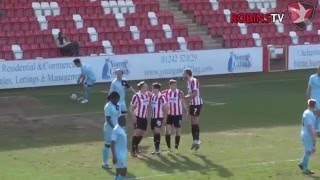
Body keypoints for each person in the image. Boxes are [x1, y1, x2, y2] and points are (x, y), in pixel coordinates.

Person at [161, 79, 186, 152]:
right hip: (169, 115)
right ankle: (169, 147)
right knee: (167, 131)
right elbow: (157, 95)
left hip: (178, 115)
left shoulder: (180, 92)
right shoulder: (165, 92)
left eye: (176, 85)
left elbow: (183, 102)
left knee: (178, 131)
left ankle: (176, 147)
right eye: (173, 85)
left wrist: (186, 110)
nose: (175, 87)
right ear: (170, 85)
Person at [183, 68, 203, 150]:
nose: (183, 75)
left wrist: (185, 97)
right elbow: (190, 93)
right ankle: (195, 140)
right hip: (192, 104)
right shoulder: (188, 82)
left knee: (195, 121)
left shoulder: (193, 81)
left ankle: (197, 141)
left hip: (196, 103)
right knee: (192, 122)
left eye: (184, 73)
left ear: (187, 74)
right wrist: (186, 97)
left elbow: (194, 94)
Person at [129, 81, 151, 156]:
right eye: (145, 86)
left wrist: (147, 112)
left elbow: (147, 104)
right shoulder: (136, 96)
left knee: (142, 133)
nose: (147, 87)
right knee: (137, 132)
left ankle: (136, 147)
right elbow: (131, 108)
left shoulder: (147, 94)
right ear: (141, 87)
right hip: (138, 116)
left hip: (144, 117)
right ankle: (133, 150)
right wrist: (134, 116)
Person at [102, 92, 121, 169]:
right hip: (109, 129)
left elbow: (119, 116)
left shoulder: (117, 105)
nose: (117, 101)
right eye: (117, 99)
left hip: (116, 128)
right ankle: (104, 163)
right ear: (112, 98)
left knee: (117, 144)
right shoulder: (107, 106)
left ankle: (117, 160)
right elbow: (108, 120)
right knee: (107, 145)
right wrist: (114, 128)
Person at [298, 99, 317, 174]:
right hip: (308, 135)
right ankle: (305, 168)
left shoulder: (306, 112)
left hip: (304, 133)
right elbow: (309, 127)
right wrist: (313, 137)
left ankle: (302, 164)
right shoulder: (309, 114)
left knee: (308, 151)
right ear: (314, 105)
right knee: (309, 152)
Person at [150, 82, 168, 154]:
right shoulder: (152, 96)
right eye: (152, 88)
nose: (152, 89)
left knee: (157, 132)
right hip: (153, 117)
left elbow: (166, 108)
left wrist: (165, 118)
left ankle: (157, 149)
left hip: (159, 117)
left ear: (157, 89)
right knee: (154, 133)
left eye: (153, 88)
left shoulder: (161, 97)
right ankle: (155, 148)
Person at [111, 115, 128, 180]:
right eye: (125, 120)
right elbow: (112, 143)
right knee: (124, 170)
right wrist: (114, 156)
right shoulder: (116, 130)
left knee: (118, 172)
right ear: (121, 121)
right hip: (118, 155)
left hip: (122, 154)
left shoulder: (122, 128)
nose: (126, 122)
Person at [306, 66, 320, 134]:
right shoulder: (312, 77)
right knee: (317, 112)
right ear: (317, 70)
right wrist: (308, 100)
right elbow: (309, 89)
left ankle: (316, 130)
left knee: (317, 115)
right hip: (314, 99)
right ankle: (315, 130)